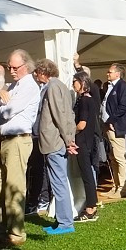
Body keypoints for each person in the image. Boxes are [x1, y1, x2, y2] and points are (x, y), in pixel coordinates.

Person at [0, 50, 41, 247]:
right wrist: (1, 97)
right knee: (1, 186)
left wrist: (1, 103)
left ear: (25, 66)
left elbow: (7, 111)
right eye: (9, 66)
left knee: (14, 186)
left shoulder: (29, 87)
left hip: (18, 139)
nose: (10, 70)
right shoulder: (15, 85)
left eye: (14, 67)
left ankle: (16, 233)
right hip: (5, 138)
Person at [33, 59, 79, 236]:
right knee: (58, 181)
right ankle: (62, 220)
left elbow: (60, 114)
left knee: (59, 182)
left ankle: (66, 223)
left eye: (37, 72)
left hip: (54, 141)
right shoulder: (59, 86)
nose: (36, 76)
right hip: (56, 141)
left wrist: (68, 140)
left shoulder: (52, 86)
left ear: (43, 72)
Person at [102, 62, 126, 198]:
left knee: (120, 157)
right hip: (110, 126)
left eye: (109, 72)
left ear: (117, 73)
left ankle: (123, 188)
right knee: (113, 157)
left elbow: (123, 106)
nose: (107, 74)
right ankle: (116, 186)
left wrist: (112, 120)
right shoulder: (112, 87)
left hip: (118, 126)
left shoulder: (123, 86)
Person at [73, 71, 101, 223]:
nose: (73, 85)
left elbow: (82, 124)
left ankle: (91, 207)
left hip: (82, 141)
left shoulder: (84, 100)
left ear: (82, 83)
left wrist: (71, 132)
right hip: (88, 141)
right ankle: (91, 204)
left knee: (87, 175)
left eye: (75, 82)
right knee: (88, 174)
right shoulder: (89, 99)